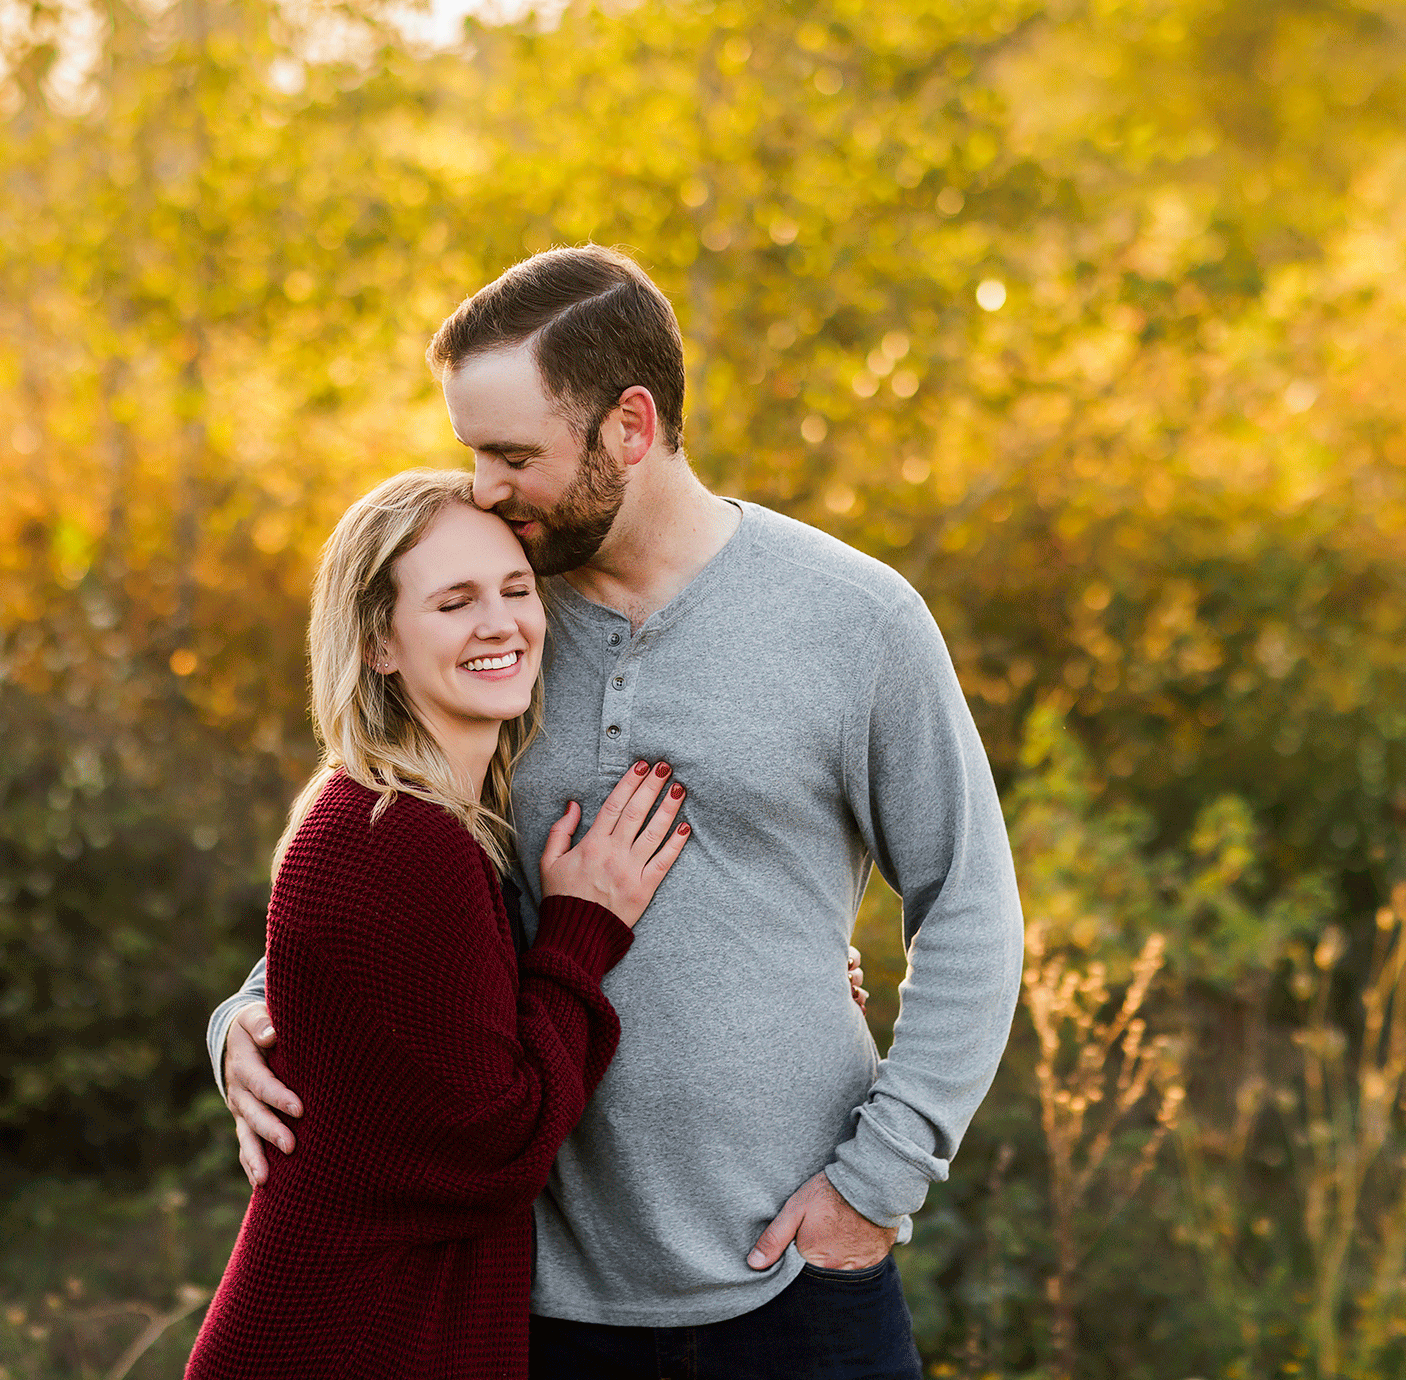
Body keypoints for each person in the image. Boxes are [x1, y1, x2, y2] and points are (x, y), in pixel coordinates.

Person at [212, 247, 1025, 1379]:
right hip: (537, 1297)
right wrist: (250, 1017)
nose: (485, 489)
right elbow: (384, 830)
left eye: (512, 455)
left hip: (794, 1277)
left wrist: (876, 1183)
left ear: (629, 428)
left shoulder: (855, 619)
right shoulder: (493, 619)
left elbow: (970, 905)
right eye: (471, 454)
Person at [183, 468, 694, 1380]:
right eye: (455, 602)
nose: (501, 624)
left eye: (515, 590)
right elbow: (497, 1145)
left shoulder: (422, 819)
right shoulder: (395, 838)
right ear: (379, 642)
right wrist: (583, 924)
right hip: (344, 1341)